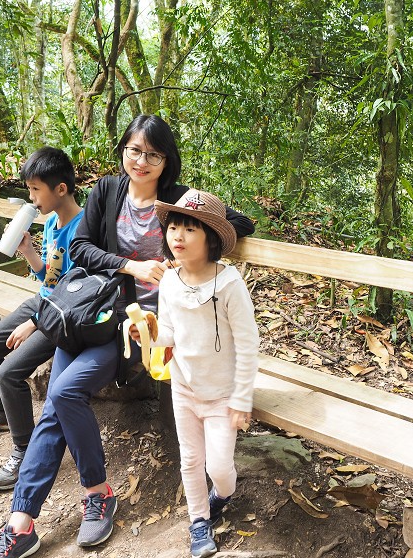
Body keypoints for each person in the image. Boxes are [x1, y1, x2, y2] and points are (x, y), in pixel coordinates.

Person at [0, 114, 255, 558]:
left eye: (153, 154)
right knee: (57, 401)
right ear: (123, 150)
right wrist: (131, 265)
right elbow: (80, 248)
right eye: (134, 150)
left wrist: (186, 256)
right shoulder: (108, 191)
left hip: (139, 328)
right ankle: (25, 518)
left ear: (167, 161)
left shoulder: (174, 200)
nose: (141, 161)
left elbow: (236, 223)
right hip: (93, 315)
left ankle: (88, 497)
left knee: (64, 394)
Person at [0, 146, 83, 491]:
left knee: (9, 371)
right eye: (29, 189)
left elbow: (75, 292)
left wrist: (37, 323)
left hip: (63, 315)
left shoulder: (81, 227)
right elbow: (50, 279)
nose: (31, 197)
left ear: (60, 189)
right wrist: (30, 251)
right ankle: (0, 415)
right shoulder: (51, 222)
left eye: (35, 189)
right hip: (43, 301)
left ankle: (25, 450)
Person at [149, 189, 259, 558]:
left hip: (223, 395)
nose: (178, 236)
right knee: (191, 460)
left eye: (190, 229)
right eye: (173, 227)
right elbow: (168, 333)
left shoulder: (229, 284)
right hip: (184, 387)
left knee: (221, 467)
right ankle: (199, 522)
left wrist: (242, 399)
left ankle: (222, 495)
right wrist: (148, 332)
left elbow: (247, 345)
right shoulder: (169, 280)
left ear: (211, 237)